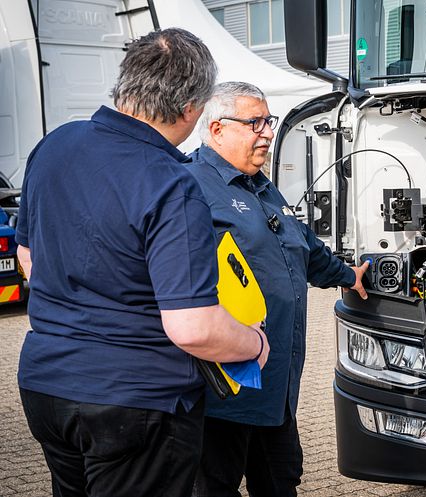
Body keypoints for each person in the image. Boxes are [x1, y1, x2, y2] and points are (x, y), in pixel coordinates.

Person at [15, 29, 269, 497]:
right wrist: (253, 344)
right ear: (192, 107)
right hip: (136, 404)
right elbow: (192, 327)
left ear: (126, 81)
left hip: (48, 387)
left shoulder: (54, 146)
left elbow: (28, 257)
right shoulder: (172, 182)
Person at [186, 81, 368, 497]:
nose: (268, 132)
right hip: (223, 391)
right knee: (214, 486)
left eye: (268, 121)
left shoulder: (262, 187)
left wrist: (348, 275)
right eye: (255, 123)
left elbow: (303, 247)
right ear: (217, 129)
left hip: (276, 389)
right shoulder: (189, 184)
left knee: (282, 481)